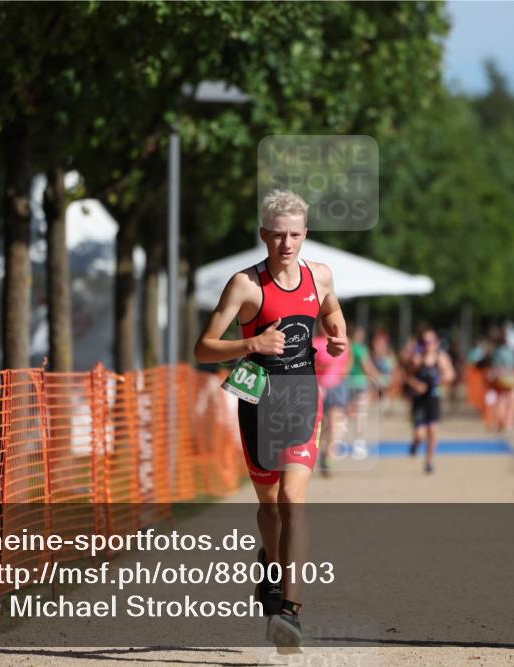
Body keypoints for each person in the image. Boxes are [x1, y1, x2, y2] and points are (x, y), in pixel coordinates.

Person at [194, 189, 347, 649]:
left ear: (305, 235)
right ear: (263, 234)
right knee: (269, 507)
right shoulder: (245, 284)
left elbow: (332, 311)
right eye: (277, 234)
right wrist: (251, 345)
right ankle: (271, 562)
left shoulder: (319, 275)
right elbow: (203, 348)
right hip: (256, 395)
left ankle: (290, 611)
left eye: (295, 234)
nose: (286, 243)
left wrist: (338, 335)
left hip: (302, 393)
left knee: (292, 499)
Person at [405, 327, 455, 473]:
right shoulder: (417, 359)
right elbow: (407, 377)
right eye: (424, 342)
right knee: (420, 434)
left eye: (431, 341)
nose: (428, 345)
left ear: (437, 343)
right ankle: (415, 444)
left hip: (433, 399)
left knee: (433, 430)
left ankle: (429, 461)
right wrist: (417, 384)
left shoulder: (441, 358)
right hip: (419, 400)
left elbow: (451, 374)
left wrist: (443, 379)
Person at [313, 323, 351, 478]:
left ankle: (328, 457)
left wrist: (343, 372)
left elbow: (348, 360)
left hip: (337, 386)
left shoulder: (343, 341)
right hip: (319, 387)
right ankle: (320, 452)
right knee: (322, 426)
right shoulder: (316, 342)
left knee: (335, 424)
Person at [345, 325, 383, 455]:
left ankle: (339, 437)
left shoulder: (348, 348)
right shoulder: (361, 349)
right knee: (360, 413)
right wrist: (378, 377)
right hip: (360, 383)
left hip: (348, 382)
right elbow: (367, 366)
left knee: (348, 412)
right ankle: (358, 443)